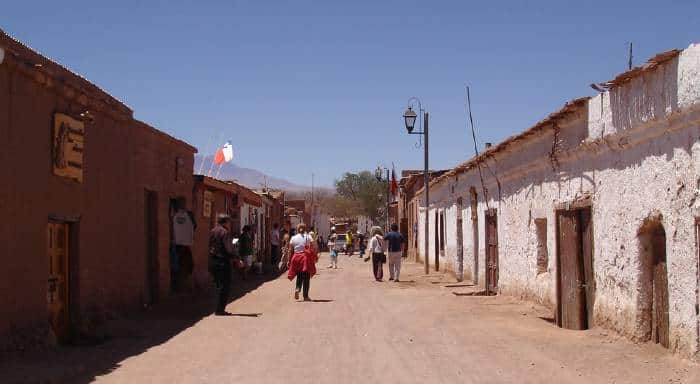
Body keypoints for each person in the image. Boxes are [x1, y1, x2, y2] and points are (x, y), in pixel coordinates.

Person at [208, 214, 240, 315]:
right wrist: (236, 258)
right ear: (226, 222)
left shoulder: (212, 231)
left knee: (217, 284)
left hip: (213, 260)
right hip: (223, 261)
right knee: (225, 286)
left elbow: (210, 245)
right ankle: (220, 309)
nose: (230, 224)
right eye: (229, 222)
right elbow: (228, 249)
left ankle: (216, 307)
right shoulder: (225, 232)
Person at [287, 223, 317, 301]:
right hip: (305, 258)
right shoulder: (308, 236)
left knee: (299, 275)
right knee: (306, 277)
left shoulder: (293, 238)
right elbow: (313, 247)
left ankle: (297, 289)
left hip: (296, 258)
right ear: (305, 229)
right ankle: (305, 296)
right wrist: (314, 256)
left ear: (297, 229)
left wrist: (288, 260)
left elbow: (290, 250)